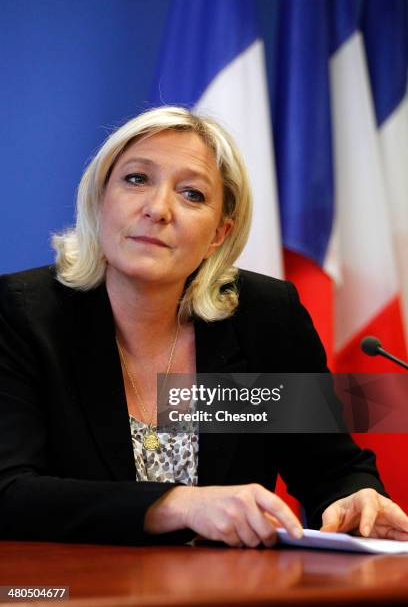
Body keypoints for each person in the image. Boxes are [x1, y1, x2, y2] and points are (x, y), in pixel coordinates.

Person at [0, 106, 407, 548]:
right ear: (100, 199)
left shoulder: (262, 318)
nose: (158, 209)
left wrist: (355, 498)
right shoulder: (26, 315)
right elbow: (10, 492)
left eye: (192, 194)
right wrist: (179, 504)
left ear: (219, 233)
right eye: (136, 179)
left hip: (229, 593)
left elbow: (330, 466)